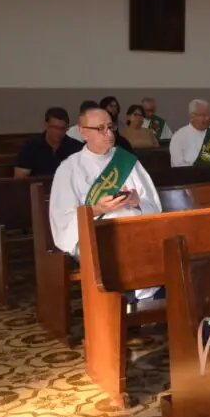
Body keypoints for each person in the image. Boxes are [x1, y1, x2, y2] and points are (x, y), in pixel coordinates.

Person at [49, 107, 162, 301]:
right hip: (96, 237)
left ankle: (151, 301)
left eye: (110, 127)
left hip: (136, 231)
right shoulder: (69, 168)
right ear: (84, 133)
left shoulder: (127, 161)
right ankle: (127, 304)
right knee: (119, 252)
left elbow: (154, 207)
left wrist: (136, 202)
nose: (108, 133)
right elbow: (62, 220)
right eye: (100, 128)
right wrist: (97, 209)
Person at [14, 107, 82, 178]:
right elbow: (20, 178)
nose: (58, 132)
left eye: (62, 128)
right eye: (55, 128)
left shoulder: (76, 148)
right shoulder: (30, 147)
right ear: (46, 125)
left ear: (67, 127)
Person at [169, 99, 210, 167]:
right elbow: (178, 166)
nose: (207, 118)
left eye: (209, 115)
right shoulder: (179, 136)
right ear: (192, 116)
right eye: (203, 115)